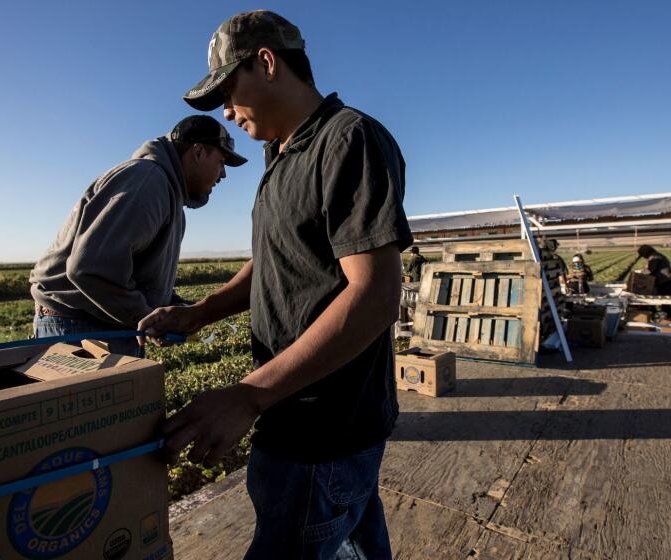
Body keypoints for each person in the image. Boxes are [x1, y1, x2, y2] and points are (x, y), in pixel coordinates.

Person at [139, 10, 412, 558]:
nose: (224, 110)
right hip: (293, 414)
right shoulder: (280, 155)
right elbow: (273, 261)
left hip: (323, 430)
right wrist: (200, 313)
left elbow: (377, 294)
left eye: (225, 89)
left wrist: (247, 395)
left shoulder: (348, 140)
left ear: (266, 63)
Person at [29, 116, 246, 356]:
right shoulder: (148, 182)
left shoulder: (167, 193)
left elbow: (135, 274)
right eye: (221, 161)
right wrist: (148, 319)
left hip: (98, 325)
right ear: (197, 152)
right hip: (81, 328)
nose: (223, 174)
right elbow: (90, 269)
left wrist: (174, 309)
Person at [637, 244, 671, 317]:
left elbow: (650, 270)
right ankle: (657, 313)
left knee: (664, 300)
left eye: (642, 254)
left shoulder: (654, 257)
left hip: (666, 281)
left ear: (646, 252)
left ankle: (668, 317)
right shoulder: (656, 255)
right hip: (665, 280)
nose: (643, 257)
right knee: (656, 297)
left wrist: (640, 274)